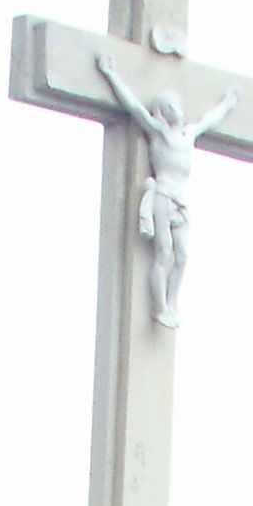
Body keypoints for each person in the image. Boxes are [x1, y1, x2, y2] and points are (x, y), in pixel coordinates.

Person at [94, 52, 237, 328]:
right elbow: (134, 106)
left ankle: (171, 304)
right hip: (163, 195)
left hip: (181, 201)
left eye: (176, 105)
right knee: (164, 252)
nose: (175, 109)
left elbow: (210, 118)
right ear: (162, 110)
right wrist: (111, 74)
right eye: (169, 106)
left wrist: (228, 103)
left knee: (182, 255)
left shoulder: (189, 133)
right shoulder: (158, 131)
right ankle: (159, 307)